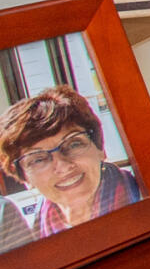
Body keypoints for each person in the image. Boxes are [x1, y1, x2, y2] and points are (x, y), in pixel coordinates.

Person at [0, 85, 141, 235]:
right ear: (24, 176)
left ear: (100, 147)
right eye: (38, 159)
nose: (63, 166)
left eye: (73, 144)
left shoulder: (145, 196)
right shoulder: (36, 230)